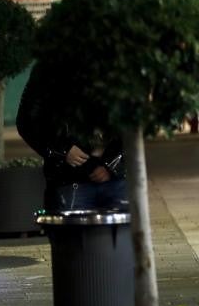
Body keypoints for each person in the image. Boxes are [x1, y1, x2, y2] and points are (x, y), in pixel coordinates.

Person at [16, 64, 127, 210]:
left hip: (114, 181)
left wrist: (111, 164)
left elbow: (132, 118)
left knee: (120, 231)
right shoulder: (49, 67)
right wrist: (63, 150)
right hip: (69, 180)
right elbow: (27, 121)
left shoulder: (115, 61)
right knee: (71, 230)